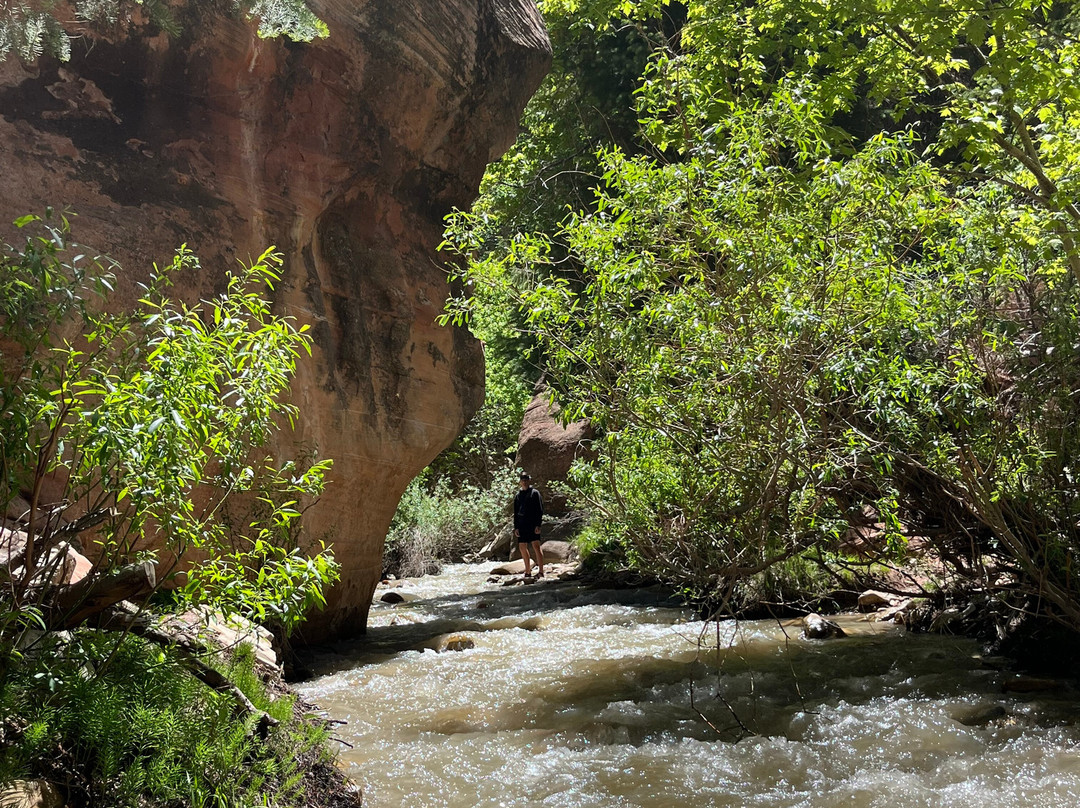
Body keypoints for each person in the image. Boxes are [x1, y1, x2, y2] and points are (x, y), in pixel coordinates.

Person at [513, 471, 545, 579]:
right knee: (522, 547)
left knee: (536, 546)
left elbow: (540, 510)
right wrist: (516, 527)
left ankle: (541, 571)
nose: (524, 482)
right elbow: (515, 512)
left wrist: (538, 525)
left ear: (529, 481)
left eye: (526, 480)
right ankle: (527, 571)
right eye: (522, 480)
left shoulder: (535, 493)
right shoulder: (518, 495)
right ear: (520, 482)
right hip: (522, 524)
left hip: (533, 524)